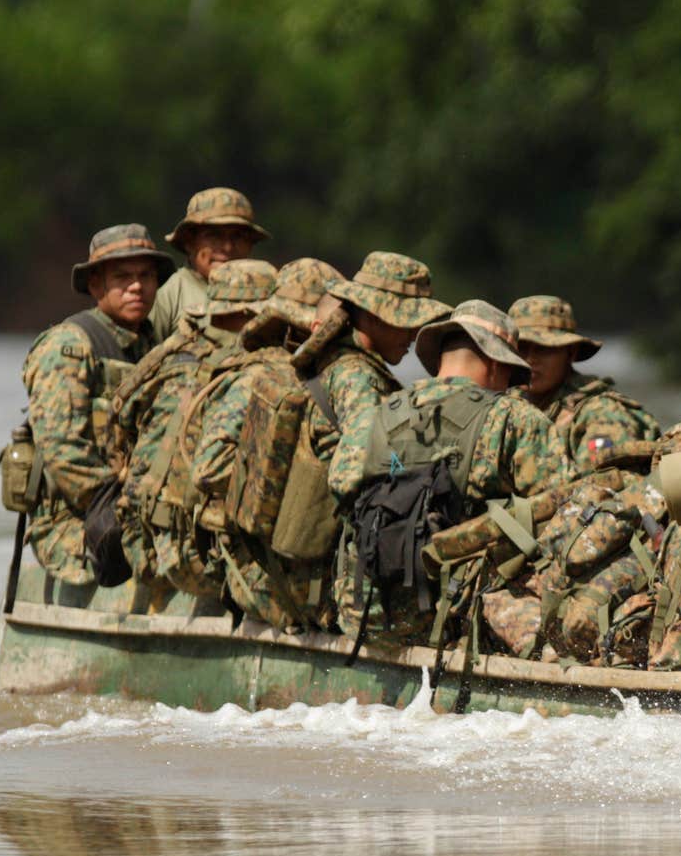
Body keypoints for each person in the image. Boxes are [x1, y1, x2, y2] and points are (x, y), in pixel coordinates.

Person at [330, 300, 570, 644]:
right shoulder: (513, 419)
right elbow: (565, 515)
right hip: (455, 621)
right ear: (493, 362)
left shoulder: (377, 415)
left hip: (366, 614)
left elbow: (339, 486)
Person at [189, 258, 348, 632]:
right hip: (259, 569)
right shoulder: (259, 377)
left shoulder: (323, 377)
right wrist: (291, 472)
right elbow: (208, 469)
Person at [17, 225, 171, 585]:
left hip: (133, 511)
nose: (137, 286)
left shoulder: (155, 348)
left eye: (146, 276)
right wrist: (122, 511)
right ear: (95, 285)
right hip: (73, 522)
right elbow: (61, 449)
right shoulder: (68, 347)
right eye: (123, 277)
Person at [113, 259, 276, 591]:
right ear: (251, 315)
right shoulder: (238, 370)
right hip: (184, 558)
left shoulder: (174, 353)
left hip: (144, 536)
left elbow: (122, 420)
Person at [302, 251, 451, 480]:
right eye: (407, 324)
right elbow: (359, 469)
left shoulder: (332, 361)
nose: (413, 337)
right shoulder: (358, 377)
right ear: (374, 316)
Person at [509, 295, 662, 472]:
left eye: (544, 349)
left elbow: (605, 489)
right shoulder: (503, 407)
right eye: (521, 348)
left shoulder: (602, 413)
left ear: (570, 352)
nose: (530, 359)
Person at [150, 188, 269, 343]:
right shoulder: (170, 294)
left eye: (238, 236)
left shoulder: (265, 292)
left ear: (250, 245)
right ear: (189, 242)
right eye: (213, 236)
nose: (227, 247)